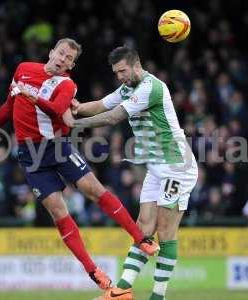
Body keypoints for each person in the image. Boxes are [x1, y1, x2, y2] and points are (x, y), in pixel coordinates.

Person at [0, 39, 159, 290]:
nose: (63, 59)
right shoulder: (23, 69)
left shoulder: (66, 84)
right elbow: (10, 104)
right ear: (51, 52)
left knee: (95, 190)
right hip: (30, 156)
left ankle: (141, 239)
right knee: (58, 212)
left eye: (69, 58)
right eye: (61, 53)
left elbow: (57, 110)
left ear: (71, 64)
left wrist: (34, 97)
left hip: (57, 148)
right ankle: (93, 270)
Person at [66, 46, 198, 300]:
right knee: (142, 228)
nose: (120, 77)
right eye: (116, 73)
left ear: (136, 65)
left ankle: (157, 297)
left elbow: (112, 117)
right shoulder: (127, 88)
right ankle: (122, 291)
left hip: (176, 167)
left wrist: (74, 124)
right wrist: (79, 107)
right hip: (156, 167)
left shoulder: (151, 87)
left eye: (123, 71)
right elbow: (102, 104)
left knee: (164, 231)